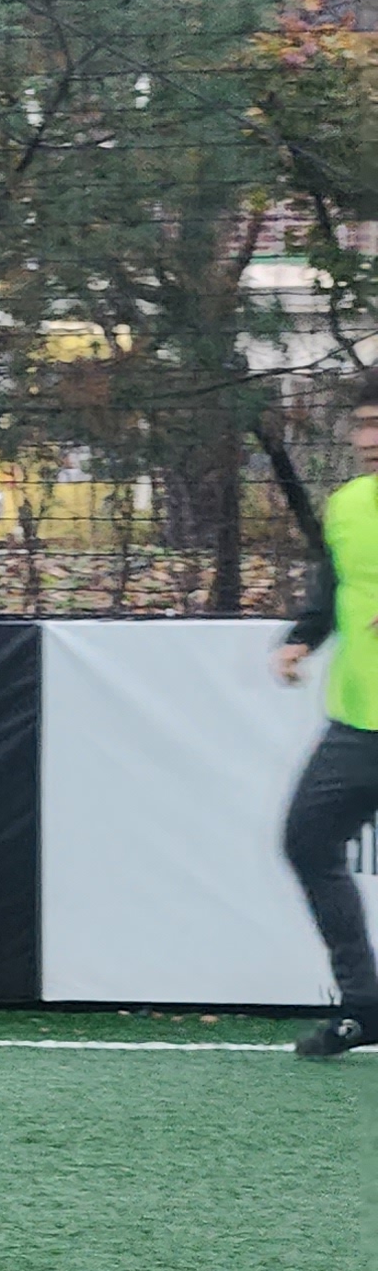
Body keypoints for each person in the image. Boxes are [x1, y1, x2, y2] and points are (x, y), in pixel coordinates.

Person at [271, 372, 378, 1060]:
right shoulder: (347, 506)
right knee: (307, 841)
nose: (369, 440)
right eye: (362, 425)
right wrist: (302, 640)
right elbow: (335, 589)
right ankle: (364, 1006)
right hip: (357, 722)